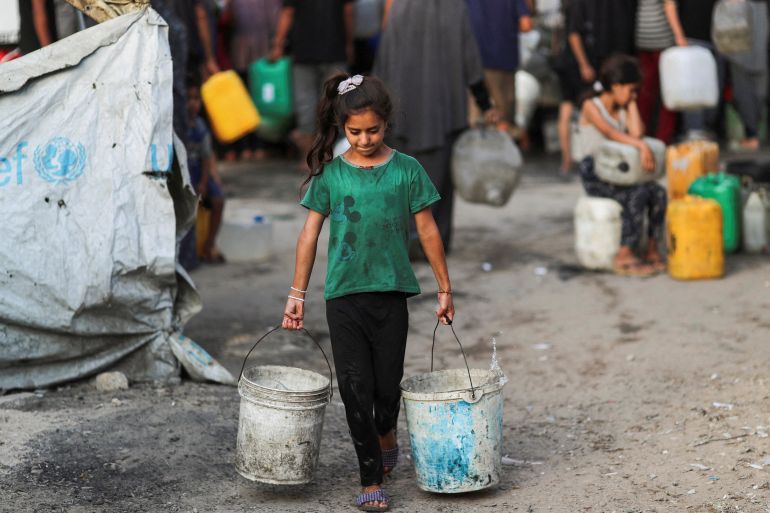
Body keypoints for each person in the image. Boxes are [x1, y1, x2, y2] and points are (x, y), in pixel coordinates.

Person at [281, 73, 454, 512]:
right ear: (341, 128)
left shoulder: (407, 171)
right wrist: (296, 294)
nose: (363, 139)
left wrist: (444, 287)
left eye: (372, 130)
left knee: (386, 389)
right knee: (355, 388)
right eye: (354, 132)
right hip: (343, 297)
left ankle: (387, 431)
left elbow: (428, 230)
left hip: (391, 294)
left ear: (386, 123)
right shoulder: (331, 176)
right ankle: (370, 478)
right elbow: (308, 235)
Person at [374, 0, 499, 254]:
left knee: (400, 182)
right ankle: (433, 244)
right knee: (437, 184)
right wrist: (485, 103)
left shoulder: (400, 6)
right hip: (443, 111)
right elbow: (471, 60)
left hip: (401, 110)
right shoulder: (454, 7)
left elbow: (383, 61)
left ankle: (403, 241)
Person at [574, 55, 667, 277]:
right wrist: (641, 147)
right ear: (615, 86)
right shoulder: (591, 106)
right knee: (636, 194)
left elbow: (637, 132)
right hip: (595, 172)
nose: (634, 95)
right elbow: (610, 132)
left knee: (658, 192)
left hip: (617, 171)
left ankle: (651, 248)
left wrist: (631, 102)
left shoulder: (624, 109)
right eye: (631, 90)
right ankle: (624, 253)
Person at [556, 0, 637, 176]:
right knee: (570, 108)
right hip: (579, 64)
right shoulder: (580, 5)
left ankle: (569, 162)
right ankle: (566, 161)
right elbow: (574, 34)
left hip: (597, 63)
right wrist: (583, 64)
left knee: (572, 108)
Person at [270, 0, 354, 169]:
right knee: (335, 103)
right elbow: (348, 12)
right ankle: (333, 155)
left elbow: (287, 13)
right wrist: (349, 43)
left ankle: (308, 158)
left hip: (304, 51)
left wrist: (278, 44)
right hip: (334, 50)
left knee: (305, 104)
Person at [465, 0, 532, 133]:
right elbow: (526, 25)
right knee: (503, 119)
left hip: (473, 59)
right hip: (503, 59)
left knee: (473, 119)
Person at [186, 76, 227, 265]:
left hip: (198, 173)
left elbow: (206, 157)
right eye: (189, 99)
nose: (193, 104)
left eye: (196, 99)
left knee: (218, 198)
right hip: (185, 176)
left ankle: (209, 245)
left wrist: (206, 181)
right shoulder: (179, 125)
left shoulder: (201, 127)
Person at [635, 0, 687, 144]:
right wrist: (680, 37)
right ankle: (664, 138)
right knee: (669, 93)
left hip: (641, 37)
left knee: (645, 93)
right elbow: (669, 5)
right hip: (662, 39)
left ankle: (641, 134)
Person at [724, 0, 769, 151]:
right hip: (747, 38)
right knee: (752, 90)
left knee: (748, 91)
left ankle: (753, 136)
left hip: (749, 36)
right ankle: (754, 135)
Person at [675, 0, 721, 137]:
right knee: (693, 88)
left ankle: (706, 127)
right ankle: (694, 130)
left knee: (713, 86)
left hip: (716, 39)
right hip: (691, 38)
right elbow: (669, 4)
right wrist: (679, 36)